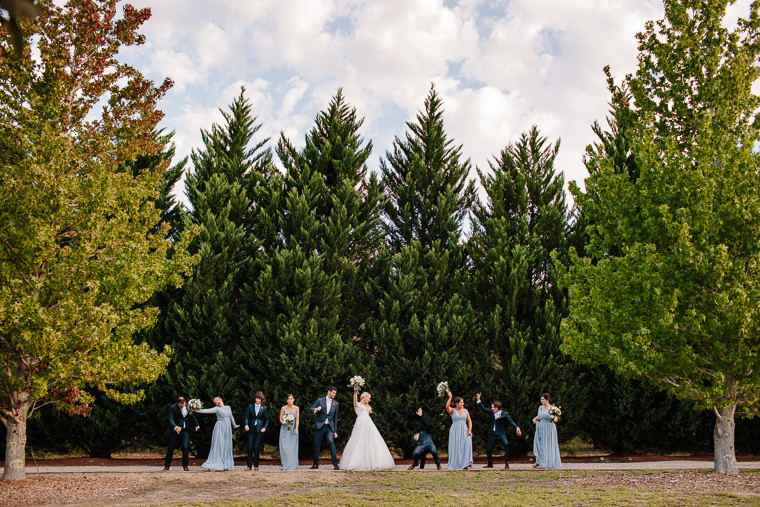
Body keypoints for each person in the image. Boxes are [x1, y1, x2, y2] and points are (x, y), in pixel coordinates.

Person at [339, 390, 395, 471]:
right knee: (359, 440)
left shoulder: (367, 407)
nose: (369, 400)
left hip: (368, 423)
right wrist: (355, 392)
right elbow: (354, 402)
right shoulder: (357, 405)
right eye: (368, 398)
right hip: (361, 423)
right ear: (364, 397)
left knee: (371, 440)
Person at [476, 393, 522, 469]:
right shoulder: (491, 412)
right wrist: (478, 399)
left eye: (493, 407)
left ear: (498, 408)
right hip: (493, 434)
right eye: (491, 407)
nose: (491, 409)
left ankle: (507, 463)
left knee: (506, 445)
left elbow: (511, 422)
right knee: (488, 450)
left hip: (501, 434)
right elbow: (483, 408)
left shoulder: (504, 414)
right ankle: (490, 464)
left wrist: (517, 427)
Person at [193, 396, 239, 471]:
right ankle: (215, 463)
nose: (217, 402)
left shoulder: (228, 407)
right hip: (220, 427)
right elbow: (207, 411)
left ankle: (226, 464)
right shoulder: (217, 408)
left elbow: (231, 417)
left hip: (227, 428)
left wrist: (235, 425)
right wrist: (197, 410)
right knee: (219, 444)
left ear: (221, 399)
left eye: (217, 400)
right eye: (215, 402)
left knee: (226, 445)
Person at [163, 396, 200, 471]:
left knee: (185, 447)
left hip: (185, 430)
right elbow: (171, 418)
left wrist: (197, 424)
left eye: (184, 404)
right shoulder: (173, 408)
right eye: (181, 405)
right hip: (175, 430)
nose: (183, 406)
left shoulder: (188, 407)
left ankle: (185, 466)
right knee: (171, 448)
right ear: (178, 403)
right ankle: (167, 465)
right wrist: (175, 427)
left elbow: (192, 415)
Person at [310, 386, 339, 469]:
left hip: (329, 427)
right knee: (316, 444)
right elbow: (310, 409)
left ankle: (335, 464)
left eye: (335, 393)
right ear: (328, 392)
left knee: (331, 442)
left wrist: (335, 431)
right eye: (333, 393)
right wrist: (316, 409)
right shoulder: (320, 400)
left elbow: (335, 419)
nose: (334, 395)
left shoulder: (336, 404)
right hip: (320, 426)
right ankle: (316, 464)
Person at [532, 392, 562, 469]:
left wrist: (553, 417)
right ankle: (538, 461)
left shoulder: (552, 408)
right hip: (541, 427)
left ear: (547, 400)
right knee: (540, 444)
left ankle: (548, 461)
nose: (541, 401)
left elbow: (556, 419)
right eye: (541, 399)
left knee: (548, 444)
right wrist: (535, 419)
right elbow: (540, 416)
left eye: (543, 399)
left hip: (549, 428)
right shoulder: (540, 407)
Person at [444, 390, 473, 470]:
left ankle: (467, 464)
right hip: (455, 431)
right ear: (456, 403)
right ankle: (456, 464)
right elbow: (447, 407)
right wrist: (450, 397)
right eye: (461, 402)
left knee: (467, 445)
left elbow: (469, 421)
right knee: (456, 447)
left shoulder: (465, 411)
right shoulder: (452, 411)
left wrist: (470, 430)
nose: (462, 404)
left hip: (464, 430)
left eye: (463, 402)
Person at [244, 391, 269, 471]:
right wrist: (246, 425)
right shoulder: (250, 406)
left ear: (262, 400)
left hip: (259, 429)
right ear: (254, 399)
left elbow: (267, 419)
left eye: (259, 399)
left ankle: (256, 465)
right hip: (251, 429)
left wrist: (264, 427)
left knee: (256, 447)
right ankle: (248, 465)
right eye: (257, 398)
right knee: (250, 447)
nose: (258, 400)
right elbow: (247, 417)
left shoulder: (264, 408)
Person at [279, 394, 300, 471]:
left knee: (292, 447)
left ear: (293, 399)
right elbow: (280, 419)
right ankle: (284, 464)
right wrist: (285, 422)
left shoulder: (297, 408)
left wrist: (296, 428)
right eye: (288, 399)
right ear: (286, 400)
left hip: (293, 428)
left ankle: (292, 464)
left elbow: (297, 419)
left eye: (291, 399)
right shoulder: (283, 408)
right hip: (285, 428)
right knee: (284, 447)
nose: (289, 400)